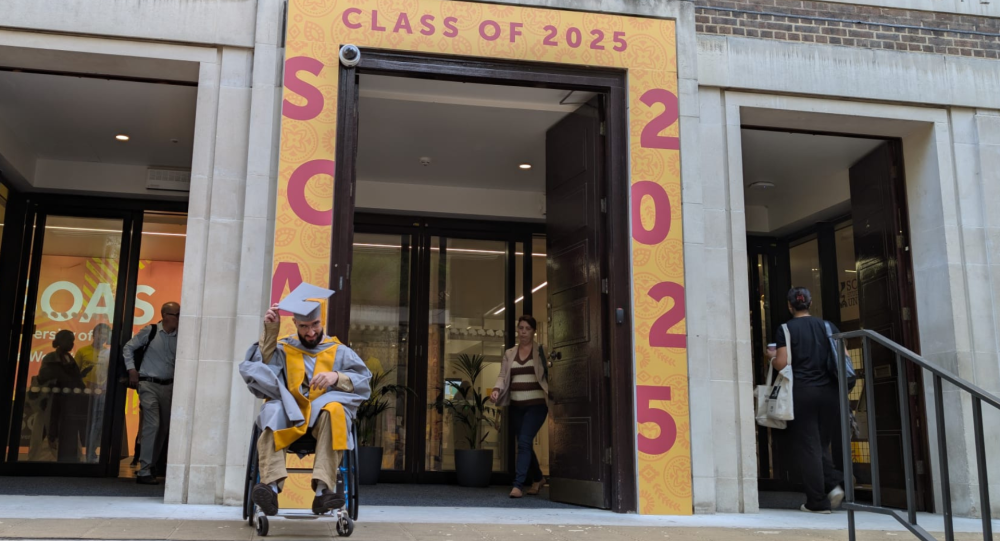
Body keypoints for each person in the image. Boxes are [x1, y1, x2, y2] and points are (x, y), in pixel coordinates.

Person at [240, 283, 371, 516]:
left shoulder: (339, 351)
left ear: (322, 322)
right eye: (304, 326)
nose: (310, 332)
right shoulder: (285, 348)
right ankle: (270, 488)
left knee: (335, 410)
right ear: (295, 324)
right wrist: (271, 330)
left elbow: (363, 381)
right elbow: (262, 367)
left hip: (322, 420)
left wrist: (336, 376)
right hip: (289, 415)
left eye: (315, 325)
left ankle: (323, 492)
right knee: (272, 409)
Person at [770, 287, 846, 514]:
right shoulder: (828, 327)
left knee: (809, 447)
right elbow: (844, 357)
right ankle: (833, 484)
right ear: (810, 303)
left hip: (802, 392)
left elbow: (782, 363)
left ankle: (818, 501)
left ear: (789, 305)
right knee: (821, 443)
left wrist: (771, 357)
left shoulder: (785, 329)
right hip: (829, 392)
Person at [490, 315, 549, 499]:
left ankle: (518, 485)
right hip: (516, 406)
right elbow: (502, 375)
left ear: (533, 331)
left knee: (523, 442)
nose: (523, 332)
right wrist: (496, 389)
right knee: (524, 443)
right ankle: (538, 478)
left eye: (527, 329)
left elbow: (552, 372)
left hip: (537, 405)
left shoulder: (541, 350)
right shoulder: (509, 353)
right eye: (521, 328)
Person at [122, 302, 180, 485]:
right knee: (152, 425)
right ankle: (144, 470)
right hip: (148, 384)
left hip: (169, 386)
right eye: (177, 314)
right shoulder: (151, 331)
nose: (179, 318)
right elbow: (128, 348)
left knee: (163, 428)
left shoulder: (181, 336)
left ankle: (152, 465)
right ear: (165, 315)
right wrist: (132, 370)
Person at [37, 330, 87, 462]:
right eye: (69, 340)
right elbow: (45, 376)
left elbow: (75, 378)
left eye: (73, 341)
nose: (72, 344)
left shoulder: (69, 358)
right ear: (61, 341)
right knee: (51, 431)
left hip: (69, 402)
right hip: (54, 400)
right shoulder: (50, 358)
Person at [75, 323, 112, 463]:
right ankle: (77, 453)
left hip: (101, 395)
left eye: (105, 334)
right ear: (93, 334)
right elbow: (75, 374)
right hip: (84, 395)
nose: (102, 336)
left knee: (98, 424)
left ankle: (91, 452)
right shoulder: (82, 351)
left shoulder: (109, 354)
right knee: (83, 424)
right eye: (99, 333)